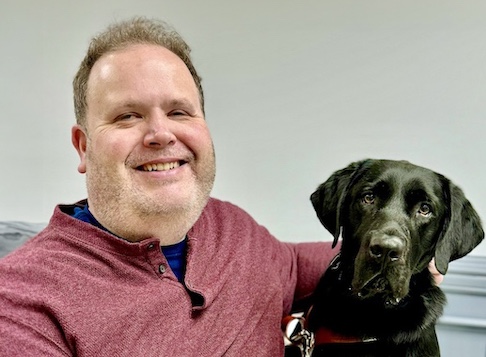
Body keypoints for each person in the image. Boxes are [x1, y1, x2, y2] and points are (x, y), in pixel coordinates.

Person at [0, 17, 442, 356]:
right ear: (82, 147)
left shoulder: (237, 231)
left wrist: (413, 250)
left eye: (179, 112)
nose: (160, 134)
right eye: (127, 115)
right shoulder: (21, 302)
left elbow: (331, 256)